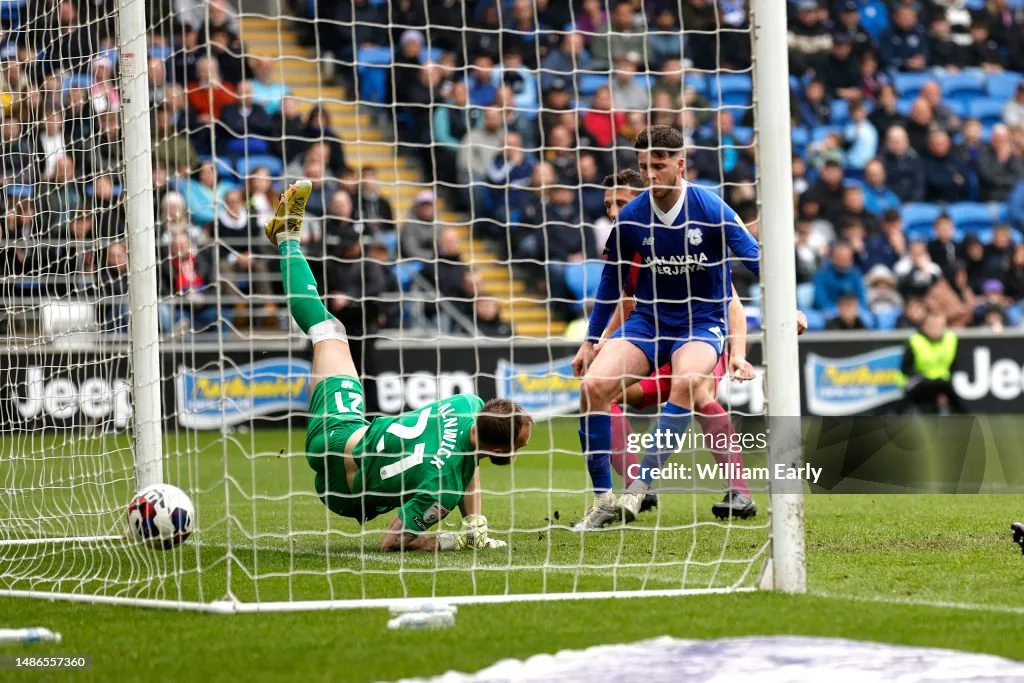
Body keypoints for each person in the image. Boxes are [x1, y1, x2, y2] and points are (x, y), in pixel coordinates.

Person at [265, 180, 532, 552]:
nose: (519, 451)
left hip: (345, 433)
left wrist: (475, 522)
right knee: (330, 331)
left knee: (327, 330)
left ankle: (288, 242)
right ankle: (285, 238)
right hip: (344, 493)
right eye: (518, 446)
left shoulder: (467, 405)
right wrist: (456, 540)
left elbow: (468, 459)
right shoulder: (444, 488)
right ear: (501, 452)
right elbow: (392, 540)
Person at [579, 169, 809, 528]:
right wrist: (599, 343)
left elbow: (731, 300)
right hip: (654, 337)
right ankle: (634, 484)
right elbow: (624, 303)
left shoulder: (688, 228)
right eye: (608, 204)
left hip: (701, 334)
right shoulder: (632, 241)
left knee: (697, 389)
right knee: (603, 390)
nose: (613, 211)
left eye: (620, 202)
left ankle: (739, 491)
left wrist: (737, 354)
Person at [571, 126, 762, 527]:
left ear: (680, 164)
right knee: (594, 387)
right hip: (649, 320)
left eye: (658, 166)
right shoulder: (633, 216)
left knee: (688, 383)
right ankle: (604, 500)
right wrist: (591, 341)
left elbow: (757, 261)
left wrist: (789, 308)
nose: (650, 175)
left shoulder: (712, 209)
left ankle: (640, 487)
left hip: (701, 323)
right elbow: (612, 281)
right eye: (644, 167)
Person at [901, 312, 963, 415]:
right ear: (925, 326)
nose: (936, 330)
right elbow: (906, 369)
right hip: (920, 381)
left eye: (940, 326)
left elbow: (955, 366)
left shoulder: (951, 339)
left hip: (943, 383)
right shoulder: (915, 341)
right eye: (933, 326)